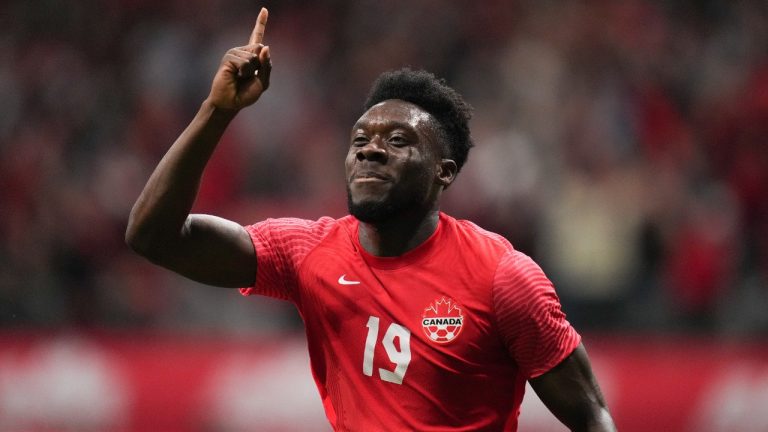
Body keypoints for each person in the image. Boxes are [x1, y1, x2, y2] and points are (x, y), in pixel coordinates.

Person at [126, 8, 616, 432]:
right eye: (359, 141)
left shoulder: (502, 279)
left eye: (399, 141)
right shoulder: (307, 253)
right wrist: (216, 110)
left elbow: (591, 415)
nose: (371, 151)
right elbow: (154, 237)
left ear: (444, 173)